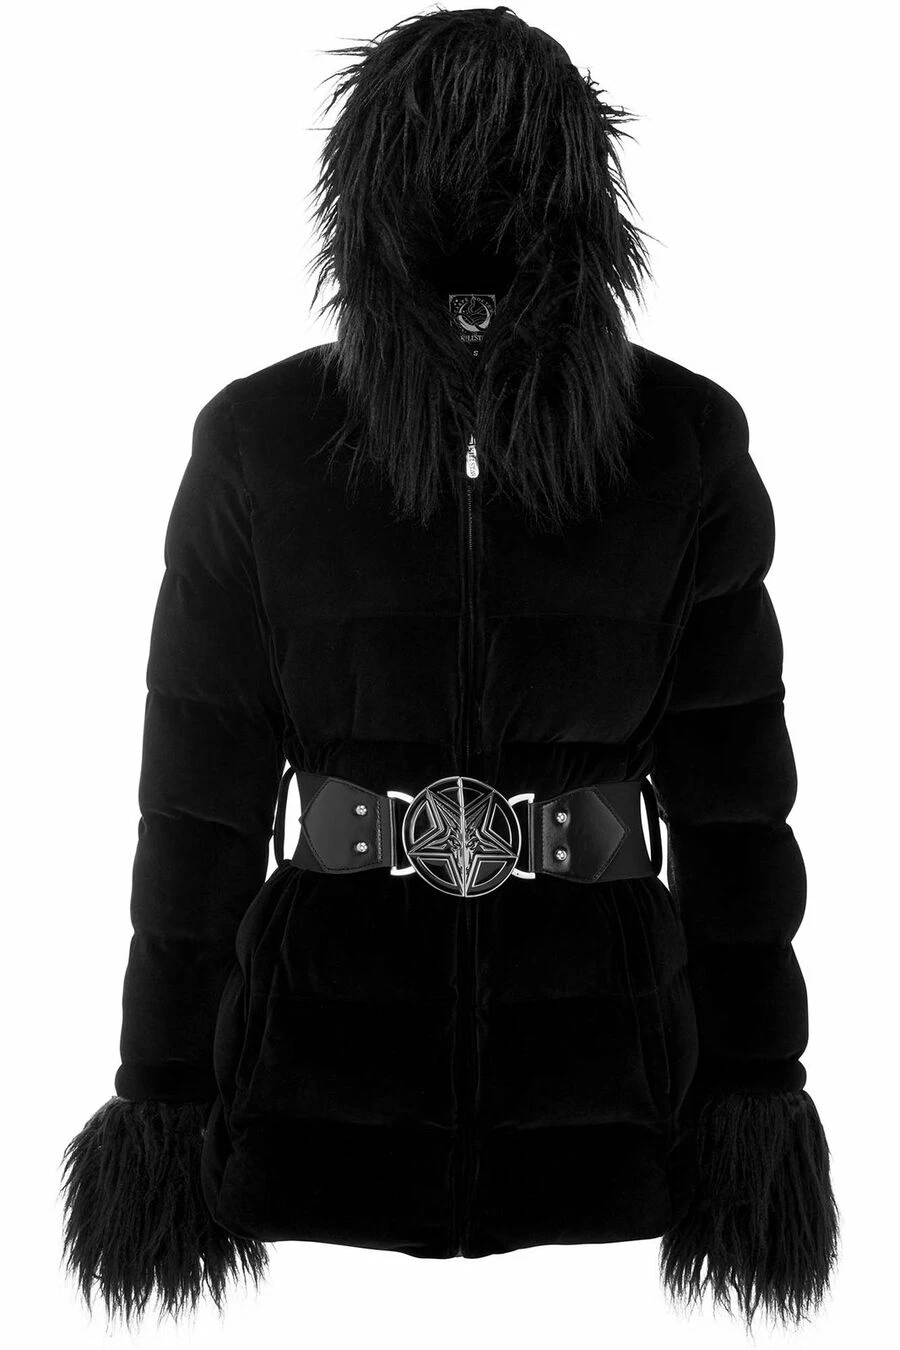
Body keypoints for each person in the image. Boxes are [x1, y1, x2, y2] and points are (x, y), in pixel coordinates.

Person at [59, 4, 839, 1332]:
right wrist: (167, 1096)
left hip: (610, 1098)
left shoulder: (682, 442)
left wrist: (753, 1093)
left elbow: (736, 806)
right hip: (316, 1094)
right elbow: (195, 800)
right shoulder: (262, 441)